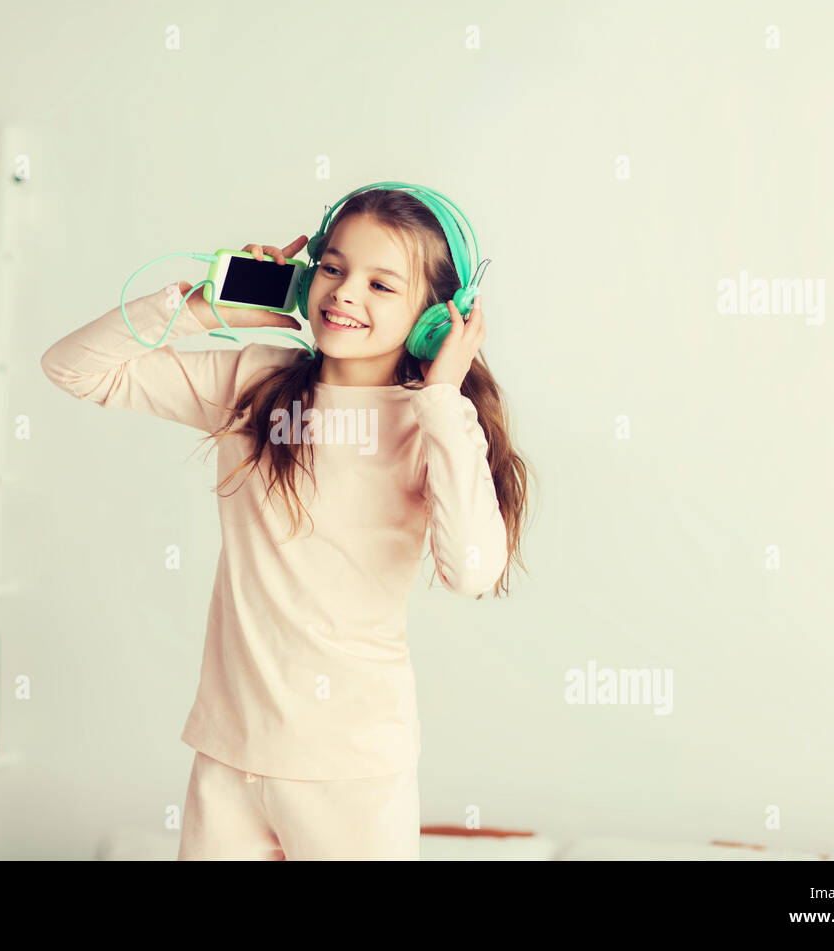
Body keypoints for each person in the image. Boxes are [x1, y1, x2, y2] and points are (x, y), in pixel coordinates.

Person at [40, 186, 535, 859]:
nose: (344, 293)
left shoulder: (430, 423)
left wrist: (444, 397)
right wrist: (205, 306)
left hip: (352, 770)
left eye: (382, 283)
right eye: (332, 267)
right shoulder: (254, 383)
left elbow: (473, 570)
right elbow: (71, 368)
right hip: (228, 753)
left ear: (435, 320)